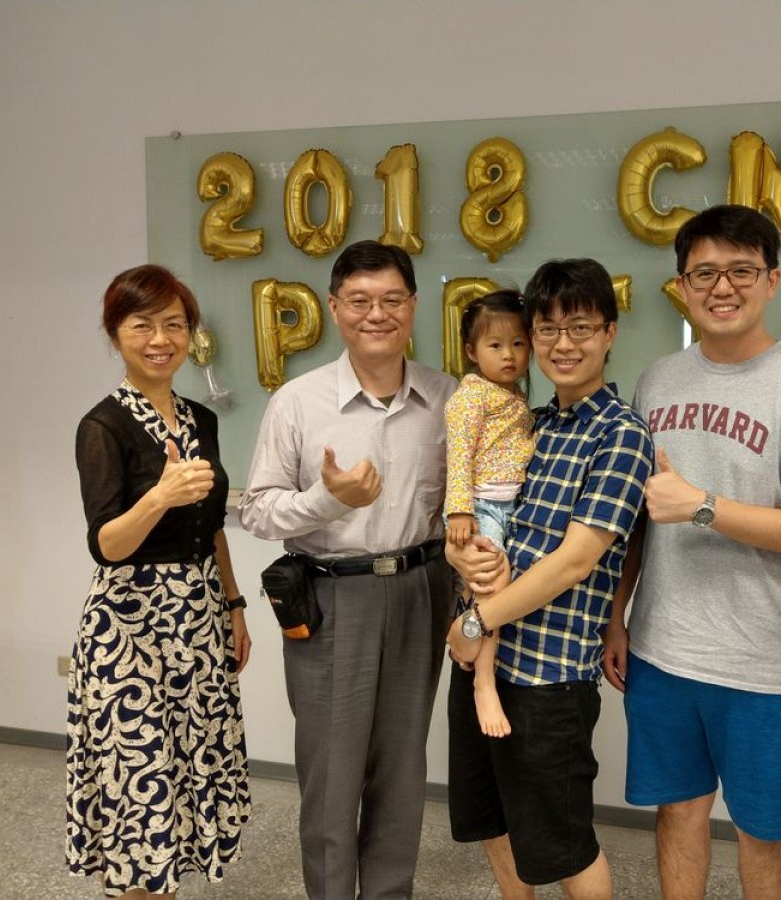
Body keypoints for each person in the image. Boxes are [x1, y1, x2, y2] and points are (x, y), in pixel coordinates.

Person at [602, 204, 781, 900]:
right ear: (682, 285)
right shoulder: (657, 380)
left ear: (772, 280)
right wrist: (616, 616)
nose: (722, 287)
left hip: (760, 662)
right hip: (662, 649)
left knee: (761, 830)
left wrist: (703, 505)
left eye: (741, 271)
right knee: (677, 812)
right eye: (704, 272)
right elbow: (640, 518)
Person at [239, 240, 457, 900]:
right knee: (332, 777)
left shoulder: (447, 398)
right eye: (360, 301)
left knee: (403, 770)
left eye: (391, 299)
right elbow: (257, 511)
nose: (376, 314)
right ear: (334, 309)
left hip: (422, 590)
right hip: (332, 598)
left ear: (412, 306)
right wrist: (327, 500)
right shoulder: (298, 401)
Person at [445, 258, 654, 900]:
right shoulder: (530, 422)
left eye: (581, 327)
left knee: (564, 844)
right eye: (548, 329)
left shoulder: (621, 435)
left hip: (550, 674)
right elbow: (485, 514)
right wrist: (459, 556)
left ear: (609, 334)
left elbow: (576, 560)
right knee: (492, 818)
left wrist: (476, 620)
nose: (563, 344)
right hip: (485, 659)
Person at [66, 264, 252, 899]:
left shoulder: (201, 418)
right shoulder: (102, 426)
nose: (160, 339)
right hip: (130, 628)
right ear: (114, 334)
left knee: (186, 784)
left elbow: (212, 525)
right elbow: (105, 545)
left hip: (198, 616)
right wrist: (159, 497)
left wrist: (234, 605)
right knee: (140, 794)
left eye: (174, 324)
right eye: (141, 325)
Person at [443, 290, 535, 738]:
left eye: (518, 344)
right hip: (481, 506)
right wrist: (460, 511)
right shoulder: (471, 397)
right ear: (471, 351)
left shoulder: (513, 396)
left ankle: (465, 646)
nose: (509, 355)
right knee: (494, 585)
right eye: (495, 345)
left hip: (506, 504)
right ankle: (483, 682)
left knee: (483, 588)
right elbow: (458, 456)